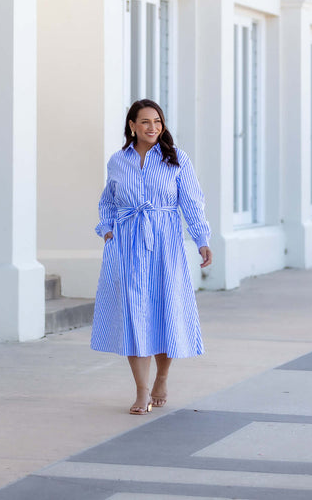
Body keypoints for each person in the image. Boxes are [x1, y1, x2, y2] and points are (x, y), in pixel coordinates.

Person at [91, 99, 213, 415]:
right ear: (132, 125)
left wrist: (202, 239)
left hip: (165, 244)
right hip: (128, 243)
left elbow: (193, 202)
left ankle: (162, 377)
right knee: (134, 314)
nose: (153, 128)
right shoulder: (118, 161)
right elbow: (108, 200)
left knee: (164, 310)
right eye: (145, 122)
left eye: (157, 122)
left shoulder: (176, 159)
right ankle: (141, 390)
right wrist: (107, 228)